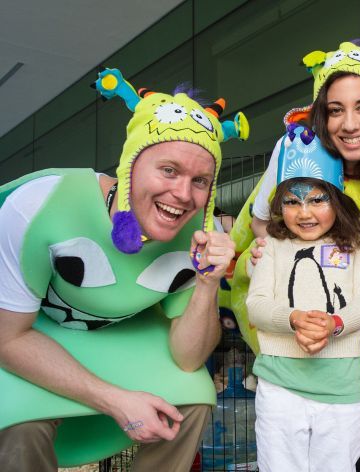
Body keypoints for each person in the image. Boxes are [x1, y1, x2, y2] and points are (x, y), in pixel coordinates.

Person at [0, 68, 248, 470]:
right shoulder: (37, 206)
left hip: (119, 337)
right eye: (168, 170)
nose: (183, 195)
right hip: (30, 331)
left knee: (193, 396)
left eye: (200, 180)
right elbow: (8, 339)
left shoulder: (199, 235)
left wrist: (207, 283)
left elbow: (188, 360)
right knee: (19, 426)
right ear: (130, 165)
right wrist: (114, 399)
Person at [229, 36, 360, 471]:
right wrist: (281, 251)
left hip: (354, 337)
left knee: (356, 444)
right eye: (335, 109)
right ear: (321, 114)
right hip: (284, 330)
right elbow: (262, 221)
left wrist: (347, 299)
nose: (349, 123)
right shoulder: (294, 151)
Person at [246, 125, 360, 471]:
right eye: (292, 202)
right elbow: (257, 305)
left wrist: (335, 324)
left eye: (317, 199)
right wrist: (293, 320)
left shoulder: (357, 247)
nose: (304, 213)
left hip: (342, 390)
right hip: (279, 387)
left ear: (336, 199)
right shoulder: (271, 247)